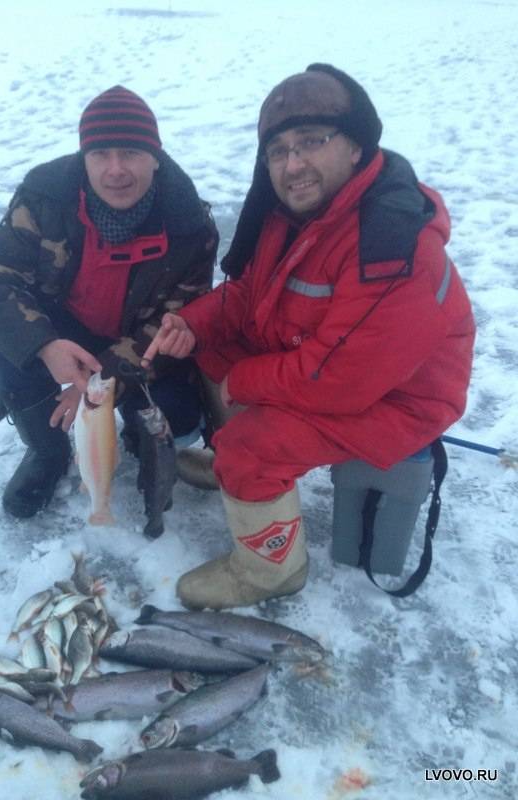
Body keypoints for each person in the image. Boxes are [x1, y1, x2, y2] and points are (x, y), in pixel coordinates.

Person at [142, 64, 475, 610]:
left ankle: (270, 571)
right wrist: (195, 323)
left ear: (356, 148)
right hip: (325, 363)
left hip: (396, 399)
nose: (292, 163)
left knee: (254, 441)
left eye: (311, 142)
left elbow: (341, 384)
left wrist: (245, 382)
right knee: (213, 352)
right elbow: (250, 294)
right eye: (278, 151)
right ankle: (238, 468)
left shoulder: (393, 247)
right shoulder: (298, 215)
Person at [0, 85, 218, 518]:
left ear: (155, 156)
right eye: (100, 154)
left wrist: (106, 381)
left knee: (176, 410)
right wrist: (44, 346)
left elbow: (176, 318)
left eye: (131, 153)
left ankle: (142, 441)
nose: (115, 170)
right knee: (9, 347)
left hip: (138, 337)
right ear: (84, 159)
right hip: (66, 325)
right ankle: (48, 452)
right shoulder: (46, 200)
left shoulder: (189, 225)